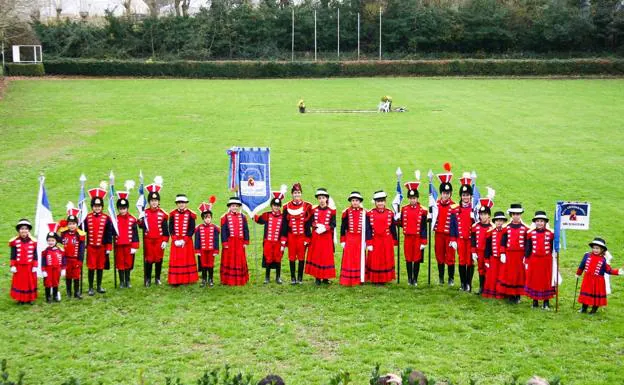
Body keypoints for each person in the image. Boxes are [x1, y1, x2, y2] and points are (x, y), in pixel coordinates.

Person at [576, 237, 623, 314]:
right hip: (587, 279)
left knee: (596, 296)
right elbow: (582, 265)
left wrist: (618, 272)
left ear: (602, 250)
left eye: (597, 248)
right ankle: (584, 309)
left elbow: (608, 270)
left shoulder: (603, 259)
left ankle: (593, 311)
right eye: (594, 248)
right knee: (585, 294)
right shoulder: (587, 255)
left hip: (598, 281)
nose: (595, 250)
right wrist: (578, 273)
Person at [138, 179, 169, 287]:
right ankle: (147, 279)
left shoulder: (163, 214)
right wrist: (140, 219)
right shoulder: (145, 212)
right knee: (149, 259)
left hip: (159, 240)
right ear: (149, 202)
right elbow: (141, 226)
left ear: (158, 201)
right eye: (152, 200)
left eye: (156, 200)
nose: (154, 202)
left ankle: (157, 278)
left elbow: (165, 229)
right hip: (148, 240)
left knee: (158, 259)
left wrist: (165, 240)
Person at [83, 185, 113, 296]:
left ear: (102, 207)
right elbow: (83, 230)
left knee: (100, 267)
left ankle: (99, 286)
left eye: (99, 206)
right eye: (95, 206)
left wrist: (109, 247)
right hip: (91, 247)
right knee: (91, 267)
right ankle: (90, 287)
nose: (97, 208)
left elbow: (109, 233)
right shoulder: (87, 217)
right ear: (92, 206)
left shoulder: (106, 218)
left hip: (102, 247)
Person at [496, 203, 529, 304]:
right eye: (514, 214)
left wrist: (526, 256)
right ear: (511, 215)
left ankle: (518, 295)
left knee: (519, 275)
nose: (516, 216)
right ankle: (510, 294)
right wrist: (502, 253)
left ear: (521, 215)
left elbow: (527, 244)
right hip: (509, 255)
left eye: (518, 214)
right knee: (510, 275)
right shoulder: (506, 228)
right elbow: (503, 242)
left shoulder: (525, 228)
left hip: (520, 255)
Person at [524, 211, 556, 309]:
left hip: (546, 261)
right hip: (534, 260)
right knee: (535, 280)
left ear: (545, 222)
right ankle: (535, 301)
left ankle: (546, 302)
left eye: (541, 221)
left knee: (546, 280)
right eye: (537, 221)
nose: (539, 223)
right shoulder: (530, 234)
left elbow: (552, 248)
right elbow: (528, 248)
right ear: (535, 222)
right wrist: (526, 260)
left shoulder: (551, 234)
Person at [398, 180, 427, 286]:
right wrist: (397, 220)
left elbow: (424, 227)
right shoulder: (404, 209)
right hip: (408, 237)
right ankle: (410, 278)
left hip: (418, 237)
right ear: (408, 199)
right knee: (408, 258)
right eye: (410, 198)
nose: (412, 200)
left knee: (417, 258)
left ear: (417, 198)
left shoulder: (423, 210)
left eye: (414, 198)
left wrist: (424, 241)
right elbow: (401, 224)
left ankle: (415, 278)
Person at [305, 188, 337, 285]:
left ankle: (325, 278)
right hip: (316, 237)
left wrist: (326, 227)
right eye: (319, 198)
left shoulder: (332, 211)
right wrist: (315, 225)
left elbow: (333, 224)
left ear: (326, 199)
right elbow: (309, 222)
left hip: (326, 237)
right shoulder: (314, 210)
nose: (321, 200)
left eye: (323, 198)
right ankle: (317, 277)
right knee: (317, 255)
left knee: (326, 256)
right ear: (317, 199)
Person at [282, 183, 312, 284]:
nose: (297, 195)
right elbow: (285, 224)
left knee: (301, 256)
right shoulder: (286, 206)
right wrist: (284, 238)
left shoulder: (307, 206)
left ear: (301, 194)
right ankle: (293, 278)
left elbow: (308, 223)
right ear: (292, 194)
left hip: (302, 236)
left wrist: (308, 238)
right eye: (295, 193)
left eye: (298, 193)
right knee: (291, 256)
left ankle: (300, 278)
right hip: (291, 236)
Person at [339, 191, 371, 286]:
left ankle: (360, 278)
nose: (355, 202)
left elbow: (368, 228)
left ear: (360, 201)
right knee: (349, 258)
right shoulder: (346, 212)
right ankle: (348, 278)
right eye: (353, 200)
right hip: (350, 238)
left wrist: (367, 241)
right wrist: (343, 240)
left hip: (360, 239)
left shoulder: (365, 212)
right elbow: (343, 227)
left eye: (356, 200)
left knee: (360, 258)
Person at [254, 191, 286, 284]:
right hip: (268, 241)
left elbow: (284, 230)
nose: (276, 207)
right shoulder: (267, 215)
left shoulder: (283, 217)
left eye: (278, 205)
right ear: (271, 206)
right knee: (268, 258)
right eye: (274, 205)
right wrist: (253, 214)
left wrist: (283, 242)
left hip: (278, 242)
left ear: (280, 206)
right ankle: (267, 277)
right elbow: (259, 220)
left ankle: (278, 277)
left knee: (278, 258)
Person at [450, 172, 475, 291]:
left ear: (471, 196)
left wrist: (474, 216)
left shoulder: (474, 209)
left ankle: (469, 283)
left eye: (468, 195)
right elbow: (453, 226)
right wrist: (453, 239)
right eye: (463, 195)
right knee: (461, 261)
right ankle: (463, 283)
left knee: (469, 261)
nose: (465, 197)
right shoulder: (455, 210)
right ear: (460, 196)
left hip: (470, 240)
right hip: (460, 239)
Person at [366, 191, 398, 284]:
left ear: (385, 202)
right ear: (375, 202)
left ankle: (384, 278)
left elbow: (393, 228)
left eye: (382, 201)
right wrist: (369, 242)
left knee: (385, 258)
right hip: (375, 239)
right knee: (375, 259)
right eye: (378, 201)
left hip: (386, 240)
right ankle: (375, 278)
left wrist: (394, 240)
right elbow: (368, 229)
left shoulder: (390, 213)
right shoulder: (370, 213)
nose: (380, 203)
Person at [168, 194, 198, 285]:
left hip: (187, 241)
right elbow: (171, 228)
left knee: (186, 259)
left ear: (186, 203)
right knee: (176, 260)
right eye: (179, 203)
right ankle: (175, 280)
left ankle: (187, 279)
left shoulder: (191, 214)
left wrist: (184, 240)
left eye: (183, 203)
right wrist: (175, 239)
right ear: (177, 204)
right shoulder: (172, 214)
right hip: (176, 241)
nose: (181, 204)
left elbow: (192, 229)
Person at [434, 163, 456, 285]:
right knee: (439, 256)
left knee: (450, 257)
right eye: (444, 193)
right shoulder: (436, 205)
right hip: (439, 234)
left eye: (448, 193)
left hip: (449, 235)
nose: (446, 195)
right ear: (441, 193)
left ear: (450, 194)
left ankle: (451, 278)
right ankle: (441, 277)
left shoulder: (454, 206)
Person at [220, 197, 250, 286]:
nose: (235, 208)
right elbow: (224, 231)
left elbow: (246, 230)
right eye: (233, 206)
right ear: (229, 207)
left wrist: (246, 242)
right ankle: (228, 279)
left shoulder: (243, 217)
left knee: (240, 259)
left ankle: (240, 279)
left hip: (240, 242)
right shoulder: (225, 217)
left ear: (239, 207)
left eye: (236, 206)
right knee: (229, 259)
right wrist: (225, 243)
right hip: (230, 242)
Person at [114, 190, 139, 288]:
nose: (122, 210)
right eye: (120, 208)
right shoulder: (115, 219)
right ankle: (121, 281)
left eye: (124, 208)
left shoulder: (132, 219)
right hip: (119, 245)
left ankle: (127, 280)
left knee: (128, 263)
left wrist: (135, 246)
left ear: (127, 208)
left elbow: (135, 234)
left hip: (129, 245)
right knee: (120, 263)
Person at [9, 219, 38, 304]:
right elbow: (13, 255)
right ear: (19, 230)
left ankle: (29, 298)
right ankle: (20, 299)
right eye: (22, 228)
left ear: (28, 230)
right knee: (20, 283)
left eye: (25, 228)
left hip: (30, 266)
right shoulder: (14, 241)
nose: (24, 230)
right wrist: (13, 265)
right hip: (19, 266)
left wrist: (35, 265)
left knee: (30, 283)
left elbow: (35, 254)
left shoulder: (33, 241)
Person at [59, 206, 85, 299]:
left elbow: (82, 249)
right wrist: (59, 225)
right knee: (68, 276)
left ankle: (76, 292)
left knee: (76, 276)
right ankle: (69, 291)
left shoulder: (80, 235)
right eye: (69, 224)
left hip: (76, 259)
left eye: (73, 224)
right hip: (66, 259)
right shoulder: (64, 233)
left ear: (76, 224)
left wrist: (80, 260)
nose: (71, 226)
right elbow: (57, 239)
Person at [471, 194, 494, 295]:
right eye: (481, 214)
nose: (483, 216)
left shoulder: (493, 227)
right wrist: (473, 252)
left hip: (489, 253)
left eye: (485, 214)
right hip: (479, 251)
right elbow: (473, 239)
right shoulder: (475, 226)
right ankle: (481, 287)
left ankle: (489, 288)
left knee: (489, 270)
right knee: (480, 269)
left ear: (489, 215)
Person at [195, 197, 219, 287]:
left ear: (211, 218)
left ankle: (211, 279)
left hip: (211, 250)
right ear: (203, 219)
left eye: (209, 217)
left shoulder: (215, 228)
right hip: (202, 250)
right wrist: (197, 250)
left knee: (211, 265)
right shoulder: (199, 228)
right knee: (204, 265)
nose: (208, 219)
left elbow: (216, 240)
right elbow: (197, 240)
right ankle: (204, 280)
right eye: (206, 218)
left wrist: (216, 250)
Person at [483, 211, 506, 299]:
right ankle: (492, 293)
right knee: (492, 276)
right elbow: (487, 247)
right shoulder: (490, 232)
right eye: (497, 221)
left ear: (503, 222)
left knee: (502, 276)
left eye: (501, 221)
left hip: (502, 259)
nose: (499, 222)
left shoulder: (506, 232)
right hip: (493, 258)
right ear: (494, 222)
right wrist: (486, 259)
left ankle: (501, 294)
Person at [41, 224, 64, 303]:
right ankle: (48, 297)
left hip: (57, 270)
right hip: (48, 270)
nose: (50, 242)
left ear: (56, 241)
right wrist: (43, 270)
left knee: (55, 283)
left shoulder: (60, 250)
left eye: (52, 240)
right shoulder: (45, 251)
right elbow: (43, 261)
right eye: (49, 240)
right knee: (48, 283)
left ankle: (55, 296)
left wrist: (63, 269)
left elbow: (63, 260)